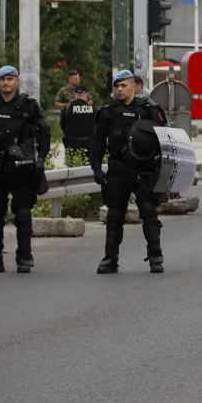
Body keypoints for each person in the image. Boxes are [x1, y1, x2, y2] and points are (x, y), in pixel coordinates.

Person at [0, 65, 50, 273]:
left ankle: (24, 257)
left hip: (22, 169)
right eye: (2, 80)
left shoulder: (29, 106)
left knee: (23, 213)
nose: (6, 83)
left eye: (10, 79)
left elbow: (44, 133)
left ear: (16, 82)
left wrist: (40, 160)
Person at [91, 69, 168, 274]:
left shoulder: (149, 109)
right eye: (117, 86)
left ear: (134, 85)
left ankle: (155, 257)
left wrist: (163, 172)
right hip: (118, 169)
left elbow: (165, 141)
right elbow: (97, 143)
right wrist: (97, 168)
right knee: (114, 216)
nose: (120, 89)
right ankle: (110, 259)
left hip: (144, 170)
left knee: (149, 214)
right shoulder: (108, 111)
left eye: (124, 85)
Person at [58, 83, 96, 166]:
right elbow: (97, 126)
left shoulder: (68, 108)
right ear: (86, 94)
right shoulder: (93, 108)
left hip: (72, 144)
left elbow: (62, 125)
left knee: (72, 169)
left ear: (75, 95)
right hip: (89, 144)